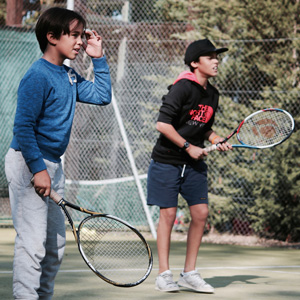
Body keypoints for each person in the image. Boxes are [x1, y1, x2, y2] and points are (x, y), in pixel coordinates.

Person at [5, 7, 111, 299]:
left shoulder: (70, 76)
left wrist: (98, 57)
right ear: (52, 37)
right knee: (33, 243)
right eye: (74, 35)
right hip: (29, 163)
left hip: (52, 166)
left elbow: (103, 96)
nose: (79, 42)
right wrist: (38, 169)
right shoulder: (37, 76)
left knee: (55, 248)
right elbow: (24, 127)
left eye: (81, 35)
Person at [147, 39, 232, 293]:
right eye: (209, 57)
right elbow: (162, 124)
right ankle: (164, 275)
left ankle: (189, 273)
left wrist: (216, 139)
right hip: (167, 161)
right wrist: (188, 147)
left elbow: (204, 127)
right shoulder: (182, 87)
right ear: (195, 63)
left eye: (216, 56)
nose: (216, 60)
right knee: (169, 215)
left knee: (201, 213)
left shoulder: (213, 94)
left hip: (193, 165)